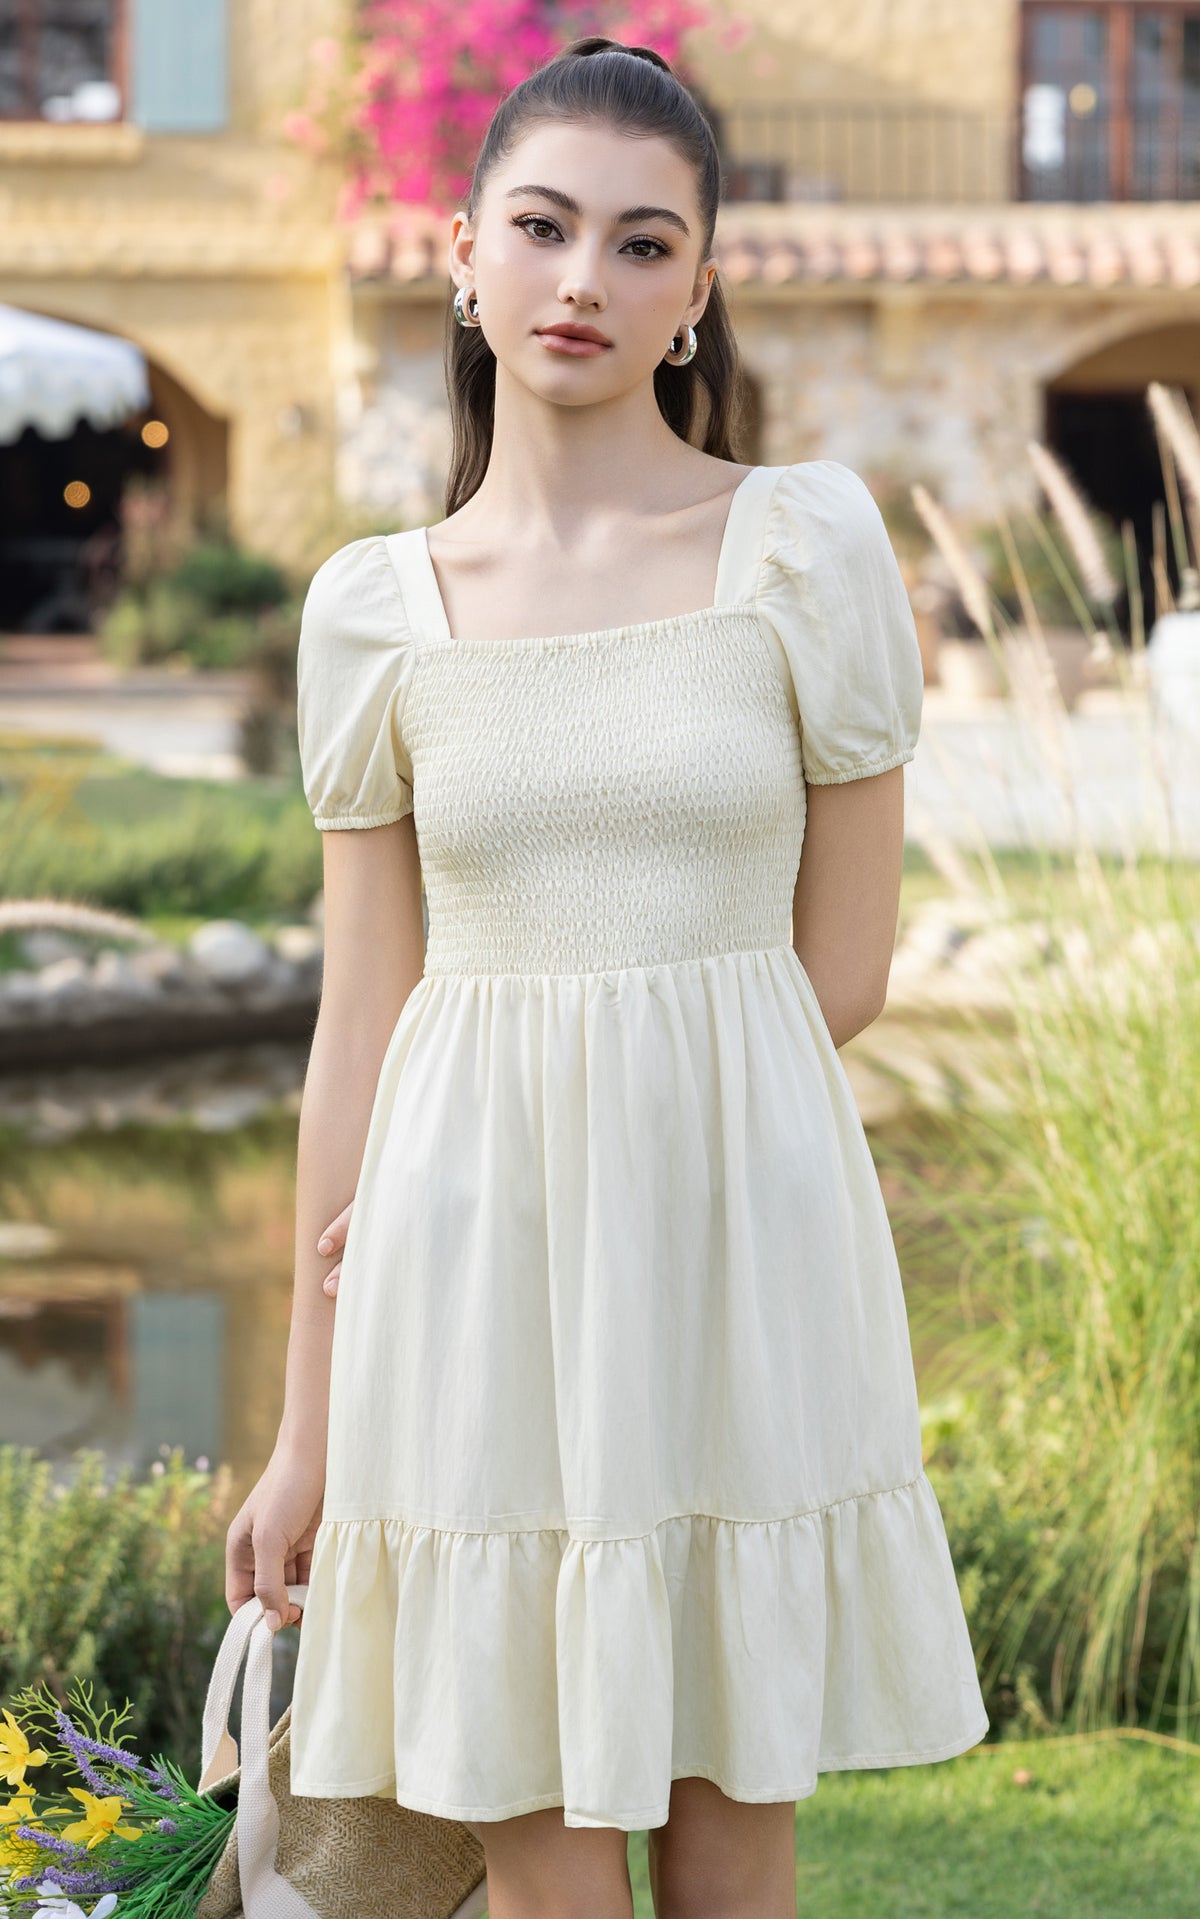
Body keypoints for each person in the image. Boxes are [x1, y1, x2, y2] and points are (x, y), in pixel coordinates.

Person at [223, 36, 989, 1919]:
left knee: (734, 1847)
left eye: (645, 245)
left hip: (736, 1244)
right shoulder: (373, 607)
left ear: (697, 292)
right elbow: (362, 1022)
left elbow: (851, 958)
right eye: (546, 229)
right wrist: (309, 1430)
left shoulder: (803, 546)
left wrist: (643, 1157)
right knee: (539, 1854)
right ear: (462, 258)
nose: (587, 281)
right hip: (470, 1271)